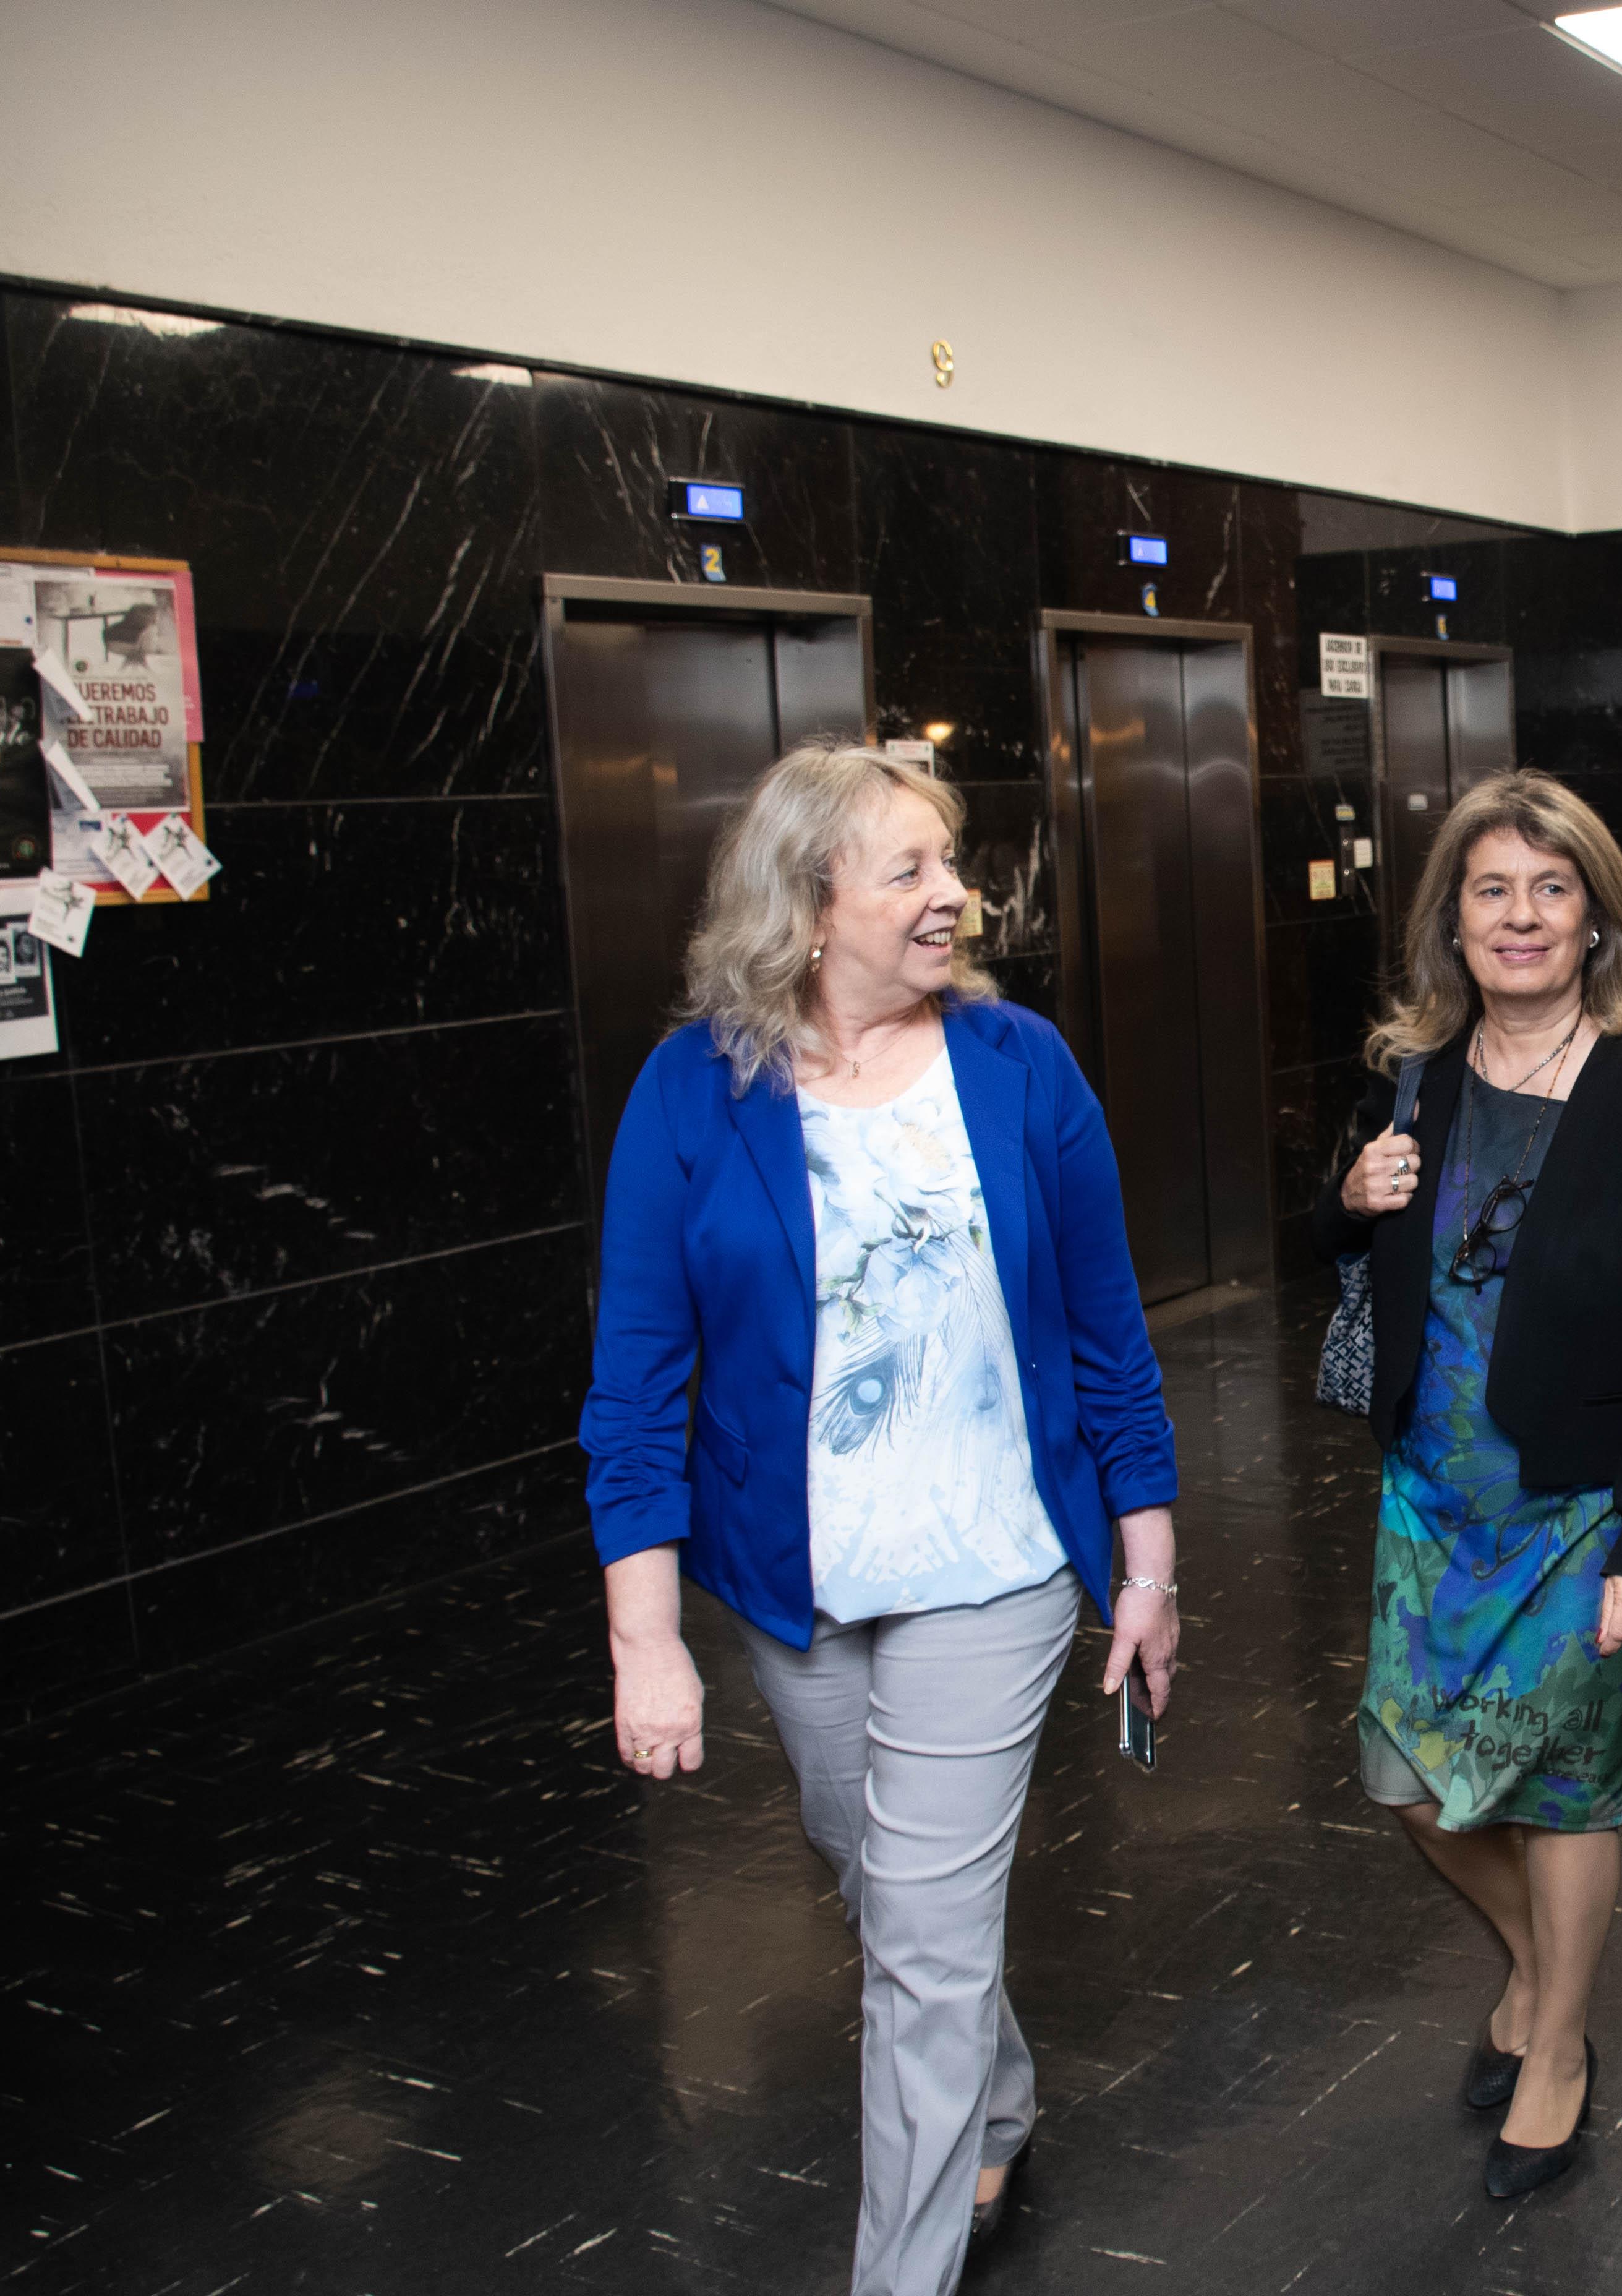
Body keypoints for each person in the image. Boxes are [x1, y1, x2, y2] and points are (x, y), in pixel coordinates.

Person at [581, 742, 1183, 2295]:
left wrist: (1148, 1561)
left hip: (994, 1564)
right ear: (806, 904)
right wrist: (647, 1638)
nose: (954, 896)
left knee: (918, 1942)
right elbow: (637, 1382)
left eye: (949, 862)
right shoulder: (692, 1088)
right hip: (796, 1585)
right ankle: (998, 2088)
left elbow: (1110, 1337)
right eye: (910, 869)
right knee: (881, 1878)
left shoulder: (1022, 1065)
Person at [1311, 769, 1622, 2201]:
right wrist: (1348, 1202)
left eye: (1551, 889)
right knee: (1412, 1782)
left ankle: (1553, 2045)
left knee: (1565, 1791)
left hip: (1582, 1506)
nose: (1521, 915)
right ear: (1453, 921)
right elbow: (1362, 1251)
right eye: (1492, 889)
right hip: (1433, 1505)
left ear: (1597, 919)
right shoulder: (1415, 1075)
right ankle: (1536, 1966)